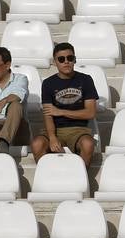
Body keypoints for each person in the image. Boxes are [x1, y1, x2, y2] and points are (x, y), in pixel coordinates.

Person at [32, 42, 98, 171]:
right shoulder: (48, 83)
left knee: (88, 145)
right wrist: (52, 138)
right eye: (61, 59)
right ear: (54, 61)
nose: (66, 62)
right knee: (37, 144)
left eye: (70, 58)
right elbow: (48, 114)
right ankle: (48, 177)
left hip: (79, 129)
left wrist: (60, 111)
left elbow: (90, 113)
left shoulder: (86, 80)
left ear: (75, 59)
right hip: (55, 129)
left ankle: (80, 180)